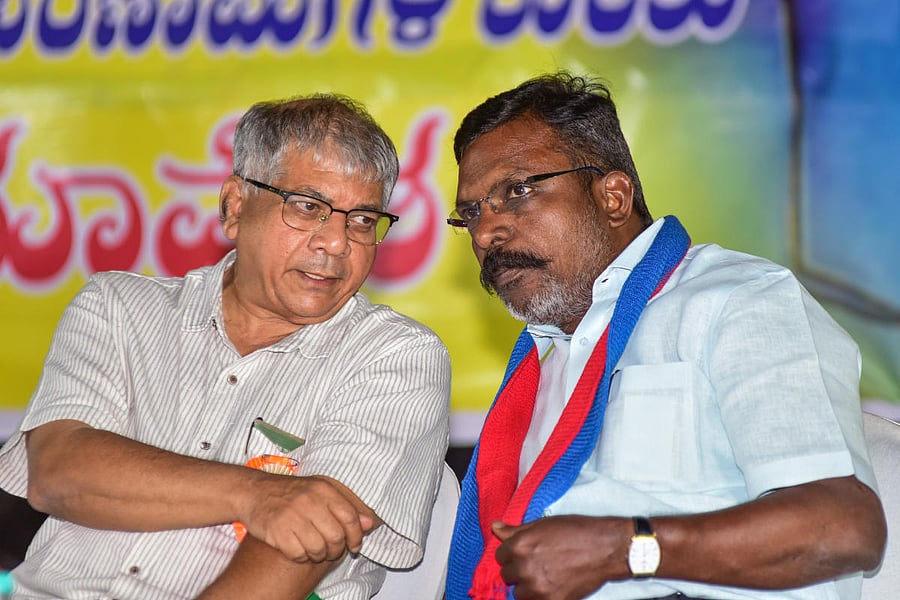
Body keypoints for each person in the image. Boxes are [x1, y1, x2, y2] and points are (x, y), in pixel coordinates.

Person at [444, 72, 886, 600]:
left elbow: (843, 527)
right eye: (470, 213)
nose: (486, 232)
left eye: (517, 191)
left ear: (612, 196)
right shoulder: (541, 360)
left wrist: (627, 550)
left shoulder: (739, 301)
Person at [0, 93, 451, 599]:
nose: (337, 242)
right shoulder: (118, 307)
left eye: (363, 219)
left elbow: (302, 545)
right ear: (234, 207)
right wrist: (256, 494)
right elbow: (60, 472)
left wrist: (278, 504)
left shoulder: (396, 356)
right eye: (308, 208)